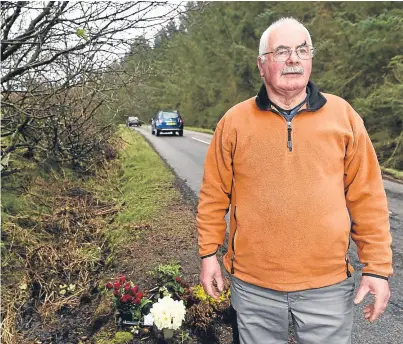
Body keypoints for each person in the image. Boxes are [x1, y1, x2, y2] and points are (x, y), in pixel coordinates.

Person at [196, 17, 393, 344]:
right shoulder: (233, 123)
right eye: (282, 51)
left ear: (311, 59)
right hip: (254, 287)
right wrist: (208, 256)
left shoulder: (344, 117)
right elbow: (213, 196)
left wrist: (376, 269)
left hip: (327, 287)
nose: (293, 58)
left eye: (303, 50)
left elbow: (368, 199)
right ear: (262, 65)